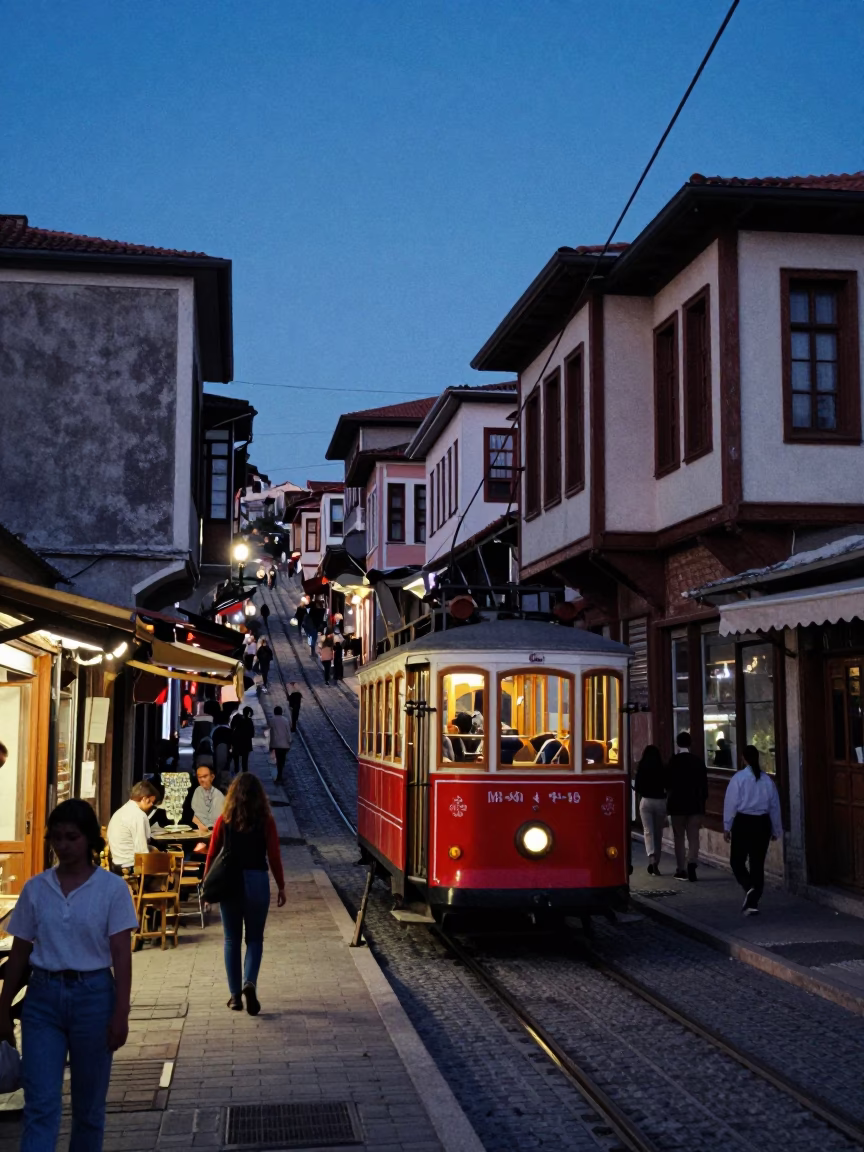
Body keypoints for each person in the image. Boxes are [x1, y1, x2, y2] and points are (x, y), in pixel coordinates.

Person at [0, 799, 138, 1152]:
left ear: (89, 839)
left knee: (88, 1108)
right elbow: (20, 951)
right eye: (57, 838)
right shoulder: (36, 889)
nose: (63, 845)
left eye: (72, 837)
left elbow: (122, 955)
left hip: (93, 997)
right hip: (43, 1000)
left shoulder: (111, 890)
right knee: (41, 1104)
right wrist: (3, 1005)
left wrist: (120, 1013)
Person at [203, 774, 286, 1014]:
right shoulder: (266, 821)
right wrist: (281, 885)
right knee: (255, 939)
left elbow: (211, 854)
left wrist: (206, 886)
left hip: (230, 882)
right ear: (260, 797)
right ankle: (249, 981)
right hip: (257, 880)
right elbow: (274, 856)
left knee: (231, 939)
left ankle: (235, 996)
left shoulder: (224, 820)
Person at [724, 746, 782, 915]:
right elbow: (774, 807)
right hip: (762, 824)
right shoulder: (767, 780)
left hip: (743, 822)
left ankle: (749, 888)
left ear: (743, 759)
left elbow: (730, 804)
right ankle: (753, 901)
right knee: (757, 863)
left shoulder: (739, 778)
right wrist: (775, 828)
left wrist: (727, 826)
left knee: (737, 861)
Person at [665, 731, 708, 882]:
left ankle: (681, 869)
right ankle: (692, 863)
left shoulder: (673, 761)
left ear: (677, 743)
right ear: (690, 744)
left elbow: (667, 783)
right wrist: (703, 804)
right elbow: (704, 785)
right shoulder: (698, 761)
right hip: (695, 804)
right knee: (693, 837)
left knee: (679, 837)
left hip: (677, 805)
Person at [106, 780, 159, 871]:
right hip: (131, 866)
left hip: (116, 864)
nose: (151, 805)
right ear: (144, 799)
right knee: (167, 864)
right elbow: (142, 851)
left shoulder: (121, 811)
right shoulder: (139, 815)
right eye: (151, 802)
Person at [634, 745, 668, 876]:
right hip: (660, 801)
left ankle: (651, 857)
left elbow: (637, 787)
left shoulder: (642, 768)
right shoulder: (662, 768)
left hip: (646, 801)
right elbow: (667, 785)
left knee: (648, 831)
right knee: (658, 833)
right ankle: (656, 862)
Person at [190, 764, 225, 831]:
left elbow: (217, 817)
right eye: (199, 777)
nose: (202, 779)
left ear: (212, 777)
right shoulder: (198, 791)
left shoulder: (218, 795)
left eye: (205, 776)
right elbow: (197, 813)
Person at [268, 705, 292, 784]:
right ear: (281, 712)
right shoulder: (285, 720)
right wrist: (289, 741)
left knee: (278, 760)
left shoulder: (272, 720)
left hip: (276, 744)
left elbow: (269, 730)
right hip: (284, 744)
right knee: (282, 760)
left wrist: (270, 745)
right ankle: (280, 775)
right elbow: (288, 732)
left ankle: (279, 776)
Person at [230, 706, 255, 774]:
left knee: (236, 760)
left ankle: (236, 773)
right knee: (245, 762)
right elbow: (252, 734)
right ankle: (244, 775)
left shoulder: (237, 717)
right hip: (246, 743)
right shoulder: (249, 721)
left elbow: (231, 727)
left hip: (236, 742)